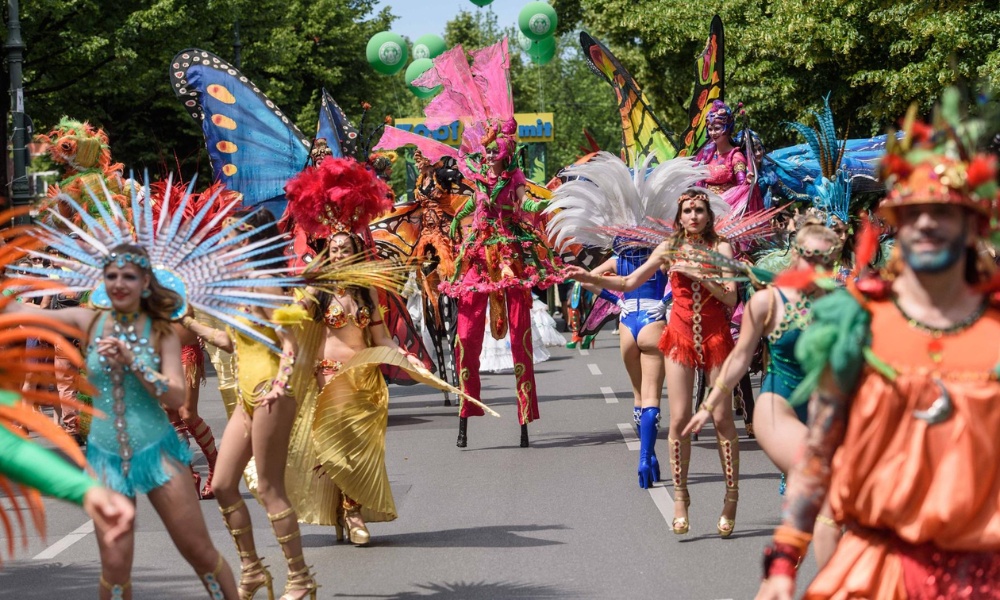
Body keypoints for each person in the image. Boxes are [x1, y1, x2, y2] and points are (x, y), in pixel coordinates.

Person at [756, 102, 1000, 599]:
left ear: (973, 225)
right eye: (913, 213)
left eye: (944, 212)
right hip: (882, 572)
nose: (927, 224)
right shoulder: (855, 324)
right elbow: (819, 454)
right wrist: (783, 564)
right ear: (896, 226)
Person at [5, 244, 239, 599]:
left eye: (128, 276)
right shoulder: (89, 321)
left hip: (157, 450)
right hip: (106, 455)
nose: (119, 283)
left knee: (198, 551)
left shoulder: (161, 332)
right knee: (114, 564)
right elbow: (22, 311)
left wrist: (135, 362)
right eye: (111, 275)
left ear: (145, 281)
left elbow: (175, 396)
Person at [282, 156, 465, 547]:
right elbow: (294, 327)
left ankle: (351, 511)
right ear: (326, 252)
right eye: (333, 249)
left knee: (359, 450)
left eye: (344, 248)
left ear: (355, 251)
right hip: (326, 379)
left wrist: (408, 358)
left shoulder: (368, 293)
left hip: (364, 382)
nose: (338, 254)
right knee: (334, 449)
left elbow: (381, 340)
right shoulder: (318, 292)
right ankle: (347, 513)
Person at [574, 188, 740, 535]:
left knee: (722, 417)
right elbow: (629, 281)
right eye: (688, 211)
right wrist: (589, 277)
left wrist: (700, 275)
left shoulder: (721, 248)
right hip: (678, 336)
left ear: (709, 215)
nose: (693, 216)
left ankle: (730, 497)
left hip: (715, 337)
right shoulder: (668, 247)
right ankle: (681, 497)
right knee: (679, 419)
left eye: (699, 210)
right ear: (679, 217)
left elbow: (729, 297)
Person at [683, 221, 843, 559]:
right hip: (778, 406)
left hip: (827, 408)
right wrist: (708, 405)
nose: (814, 267)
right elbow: (740, 359)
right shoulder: (767, 302)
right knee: (821, 485)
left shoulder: (843, 304)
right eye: (808, 256)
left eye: (824, 260)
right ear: (794, 255)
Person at [182, 209, 317, 600]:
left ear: (249, 240)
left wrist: (281, 384)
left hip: (270, 395)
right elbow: (227, 341)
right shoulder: (240, 285)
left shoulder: (263, 283)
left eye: (230, 236)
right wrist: (188, 320)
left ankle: (300, 577)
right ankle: (253, 569)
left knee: (270, 488)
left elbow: (289, 342)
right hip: (247, 397)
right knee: (223, 484)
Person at [552, 152, 707, 489]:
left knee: (637, 396)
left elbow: (589, 281)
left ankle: (643, 445)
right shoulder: (660, 253)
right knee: (653, 396)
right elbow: (674, 285)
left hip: (626, 323)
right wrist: (670, 304)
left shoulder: (616, 258)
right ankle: (646, 458)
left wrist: (615, 300)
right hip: (654, 322)